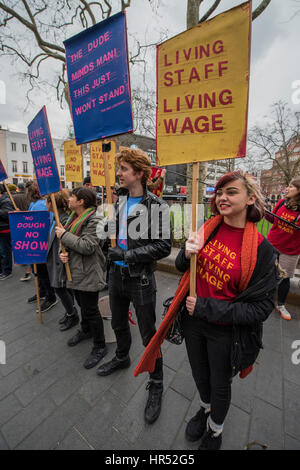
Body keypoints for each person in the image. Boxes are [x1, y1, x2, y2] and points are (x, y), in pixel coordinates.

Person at [134, 170, 279, 449]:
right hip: (192, 322)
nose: (222, 197)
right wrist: (186, 253)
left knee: (220, 382)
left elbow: (261, 308)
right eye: (220, 192)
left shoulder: (263, 250)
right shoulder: (207, 227)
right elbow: (180, 265)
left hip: (226, 331)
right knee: (200, 374)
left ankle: (215, 430)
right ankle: (205, 408)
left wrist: (207, 307)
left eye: (231, 192)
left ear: (250, 198)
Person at [96, 147, 171, 425]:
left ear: (139, 173)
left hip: (140, 279)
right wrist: (106, 230)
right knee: (117, 323)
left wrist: (127, 255)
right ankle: (121, 357)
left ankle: (156, 381)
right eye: (119, 169)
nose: (118, 173)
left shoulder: (157, 206)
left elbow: (163, 246)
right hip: (116, 277)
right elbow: (110, 235)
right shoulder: (118, 200)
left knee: (149, 334)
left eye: (124, 169)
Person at [55, 187, 108, 369]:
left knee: (91, 310)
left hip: (88, 273)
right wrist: (63, 255)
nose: (69, 198)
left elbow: (87, 246)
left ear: (81, 202)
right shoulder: (73, 218)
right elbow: (69, 245)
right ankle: (86, 330)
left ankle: (100, 346)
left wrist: (64, 235)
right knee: (81, 304)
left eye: (72, 196)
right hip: (75, 271)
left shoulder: (96, 219)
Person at [265, 177, 300, 320]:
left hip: (290, 251)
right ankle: (263, 299)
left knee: (285, 278)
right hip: (272, 244)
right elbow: (273, 220)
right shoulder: (281, 203)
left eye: (291, 186)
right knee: (266, 273)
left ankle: (280, 305)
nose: (288, 188)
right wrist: (264, 210)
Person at [46, 190, 79, 332]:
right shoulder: (56, 218)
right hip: (55, 259)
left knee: (60, 288)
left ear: (52, 203)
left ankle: (72, 314)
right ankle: (70, 311)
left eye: (47, 201)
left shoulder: (63, 220)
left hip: (60, 260)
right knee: (63, 288)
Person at [26, 182, 58, 312]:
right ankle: (42, 292)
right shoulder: (35, 204)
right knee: (38, 271)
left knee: (42, 271)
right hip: (37, 242)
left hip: (41, 243)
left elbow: (41, 224)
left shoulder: (40, 205)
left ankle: (51, 297)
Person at [13, 183, 32, 281]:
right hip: (28, 224)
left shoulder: (14, 197)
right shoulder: (28, 199)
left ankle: (27, 266)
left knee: (25, 244)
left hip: (21, 223)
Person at [0, 183, 14, 280]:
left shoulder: (6, 200)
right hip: (1, 229)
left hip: (5, 230)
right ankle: (2, 270)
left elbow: (7, 213)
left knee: (5, 251)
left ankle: (7, 271)